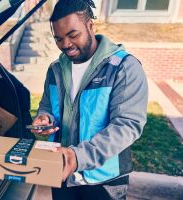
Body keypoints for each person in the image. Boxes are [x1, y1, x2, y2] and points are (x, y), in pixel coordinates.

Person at [30, 0, 148, 199]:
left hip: (103, 180)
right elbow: (46, 107)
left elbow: (127, 126)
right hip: (61, 172)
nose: (65, 45)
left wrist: (78, 157)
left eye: (72, 35)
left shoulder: (124, 67)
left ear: (90, 26)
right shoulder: (55, 70)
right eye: (58, 38)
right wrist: (44, 118)